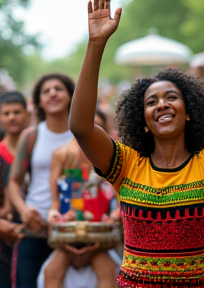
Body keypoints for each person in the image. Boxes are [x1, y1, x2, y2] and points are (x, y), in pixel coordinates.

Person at [69, 0, 204, 287]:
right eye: (151, 102)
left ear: (189, 112)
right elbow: (80, 127)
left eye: (171, 98)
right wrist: (96, 43)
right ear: (143, 119)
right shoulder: (124, 164)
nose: (162, 105)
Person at [8, 73, 74, 288]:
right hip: (33, 230)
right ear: (38, 102)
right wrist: (24, 211)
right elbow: (14, 182)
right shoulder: (31, 135)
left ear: (71, 96)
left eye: (58, 89)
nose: (52, 93)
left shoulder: (84, 135)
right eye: (46, 91)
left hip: (74, 232)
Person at [44, 109, 118, 288]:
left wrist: (115, 216)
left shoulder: (111, 157)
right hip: (68, 233)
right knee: (51, 273)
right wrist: (53, 215)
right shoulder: (61, 154)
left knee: (108, 272)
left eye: (95, 125)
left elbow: (119, 201)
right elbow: (55, 202)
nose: (89, 130)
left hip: (99, 235)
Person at [0, 91, 28, 288]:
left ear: (26, 114)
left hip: (33, 233)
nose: (12, 117)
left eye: (16, 112)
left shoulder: (39, 153)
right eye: (6, 113)